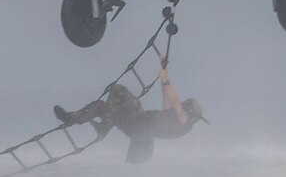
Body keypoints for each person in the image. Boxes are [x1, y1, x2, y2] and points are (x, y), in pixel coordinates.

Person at [53, 54, 207, 164]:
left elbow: (175, 102)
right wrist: (163, 74)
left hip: (137, 124)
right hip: (135, 124)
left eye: (188, 105)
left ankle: (104, 125)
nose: (184, 105)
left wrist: (165, 78)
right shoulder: (174, 120)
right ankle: (76, 119)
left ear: (191, 114)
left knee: (118, 90)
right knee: (101, 106)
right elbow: (167, 101)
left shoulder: (184, 123)